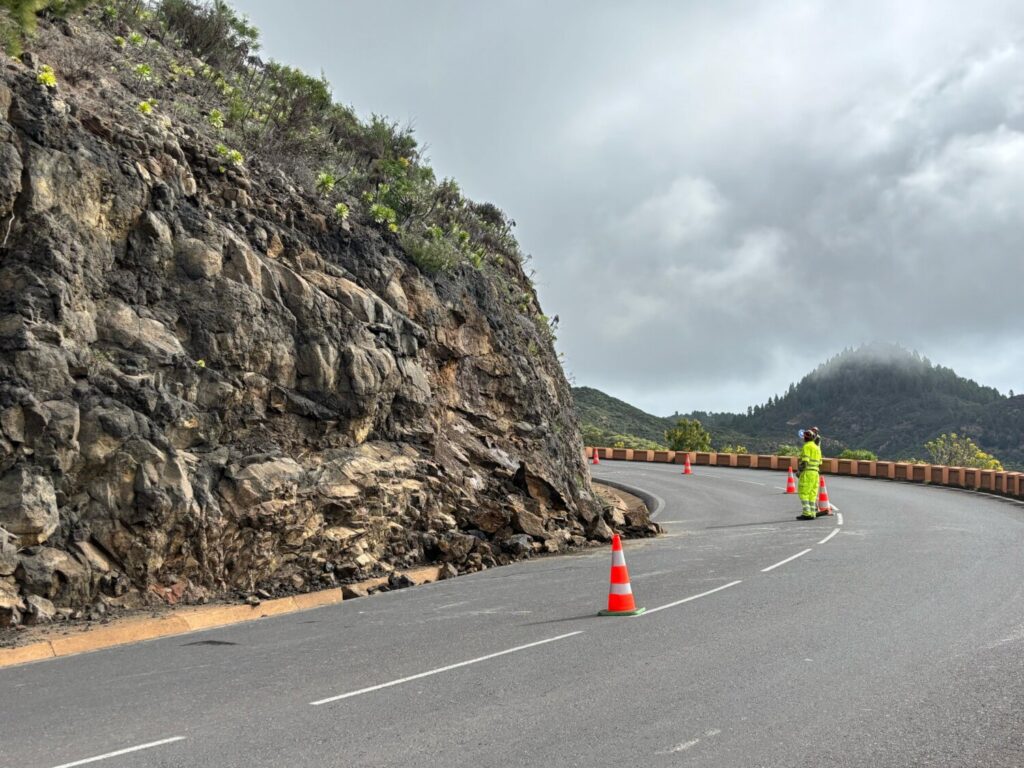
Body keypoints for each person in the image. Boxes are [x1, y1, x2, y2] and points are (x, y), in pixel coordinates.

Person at [796, 427, 822, 519]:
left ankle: (806, 514)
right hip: (816, 474)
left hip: (808, 473)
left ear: (806, 438)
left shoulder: (807, 446)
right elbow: (820, 462)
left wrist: (799, 471)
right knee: (812, 494)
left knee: (804, 493)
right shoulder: (817, 448)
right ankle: (812, 513)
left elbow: (805, 461)